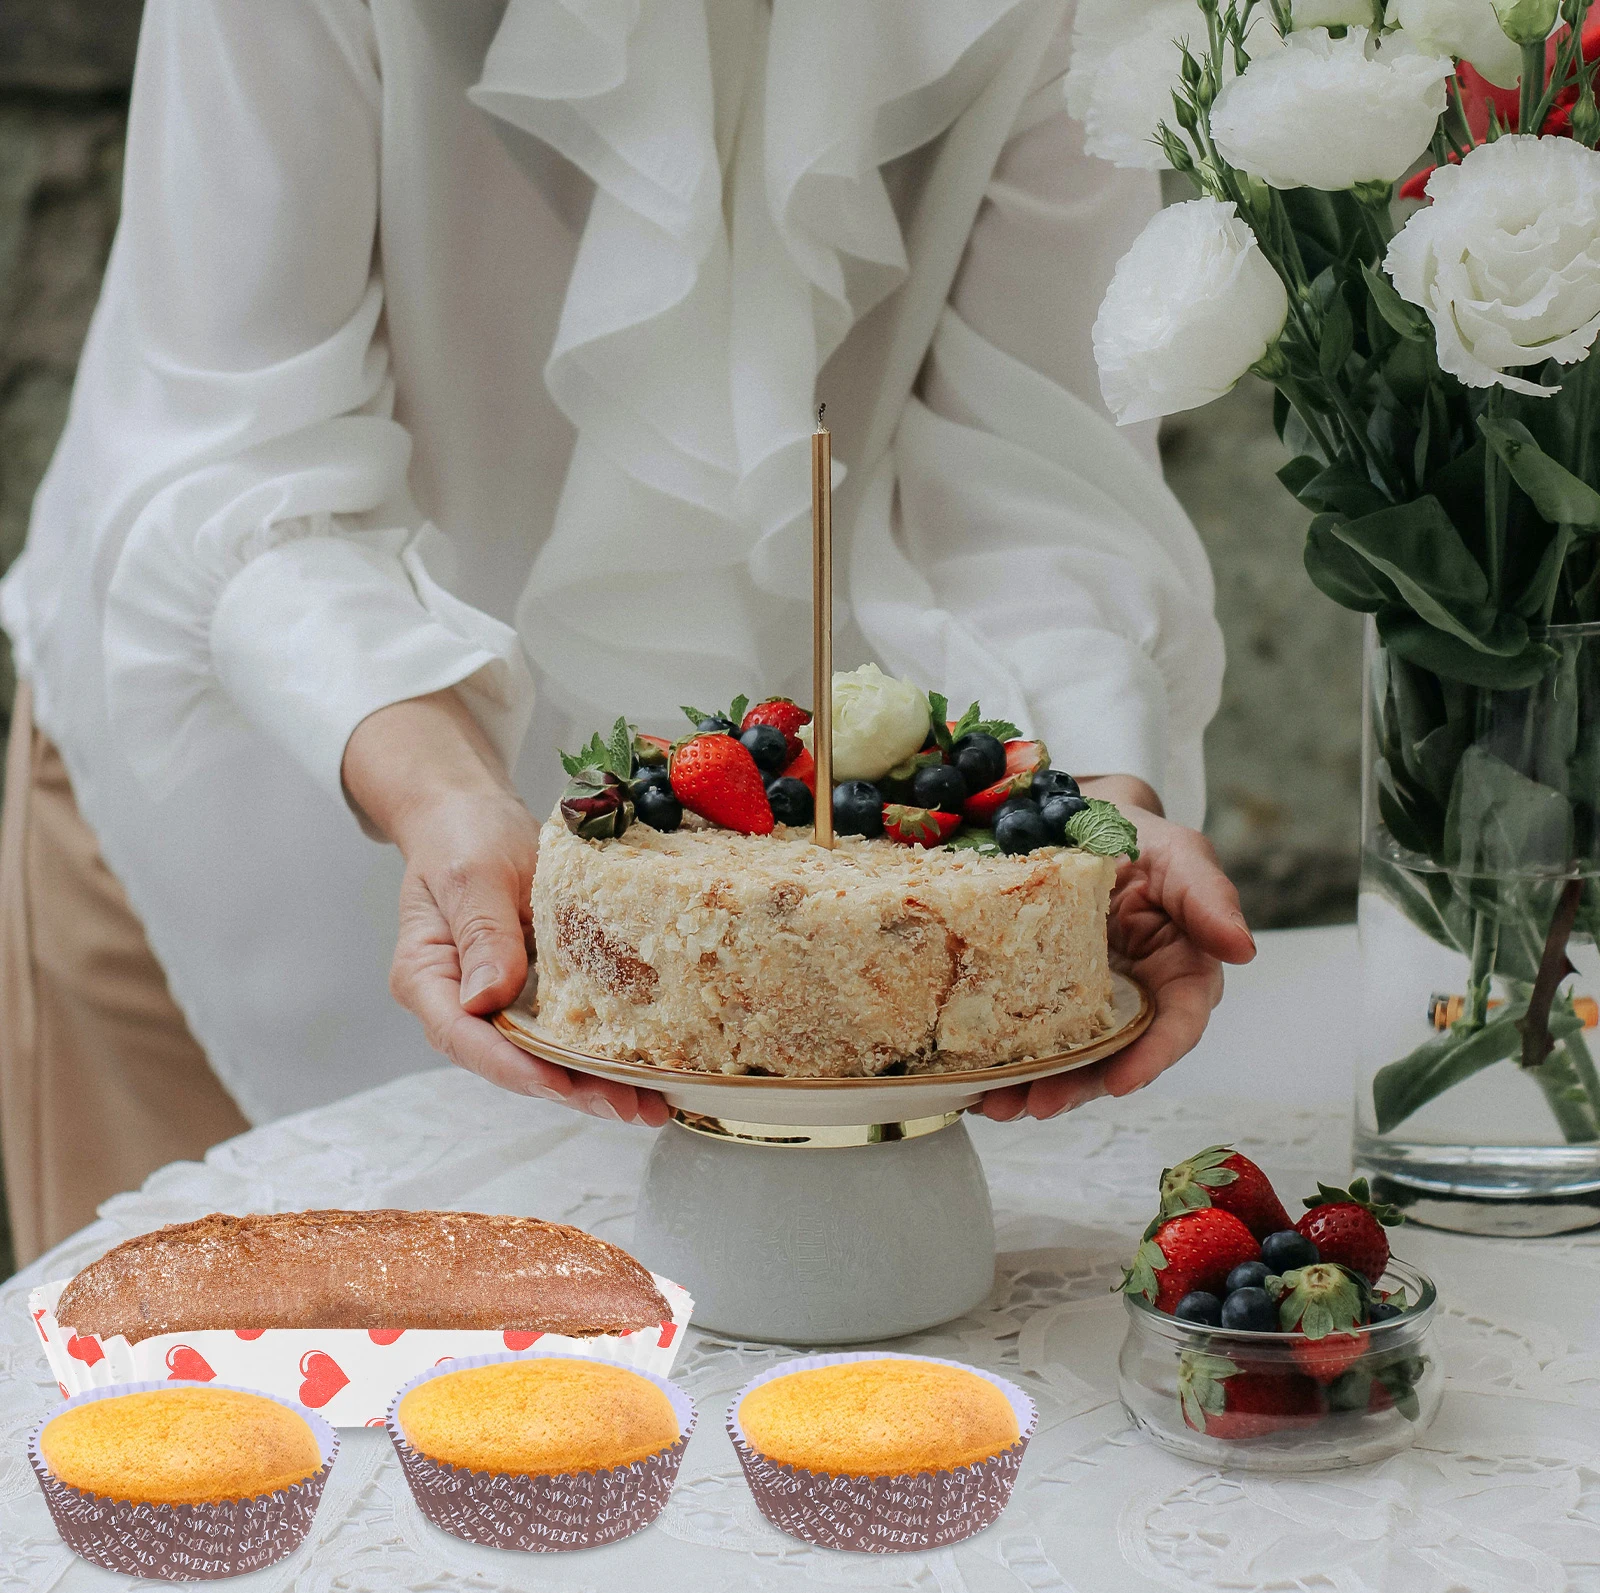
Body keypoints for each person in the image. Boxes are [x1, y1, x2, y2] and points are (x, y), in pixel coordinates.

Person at [0, 0, 1252, 1265]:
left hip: (743, 955)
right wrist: (441, 804)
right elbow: (232, 460)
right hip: (240, 797)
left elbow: (1034, 483)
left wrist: (1095, 804)